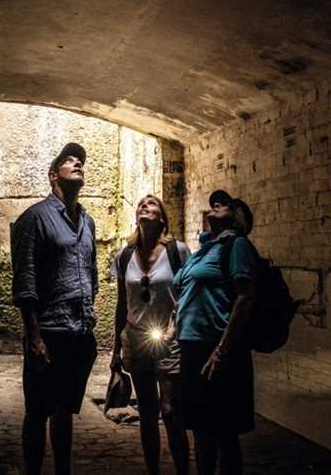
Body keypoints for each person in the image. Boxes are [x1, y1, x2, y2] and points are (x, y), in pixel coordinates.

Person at [11, 142, 98, 475]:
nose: (78, 163)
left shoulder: (87, 221)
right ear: (53, 176)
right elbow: (26, 280)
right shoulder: (34, 218)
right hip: (48, 331)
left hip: (79, 332)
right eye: (69, 161)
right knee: (37, 410)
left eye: (81, 161)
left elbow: (90, 270)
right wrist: (34, 336)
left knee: (65, 410)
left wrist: (89, 313)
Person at [173, 190, 257, 475]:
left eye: (225, 204)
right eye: (213, 203)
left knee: (223, 433)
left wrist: (221, 351)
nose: (216, 204)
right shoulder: (202, 251)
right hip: (192, 348)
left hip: (218, 348)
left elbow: (244, 298)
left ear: (239, 218)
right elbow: (184, 289)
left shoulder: (237, 246)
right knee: (200, 429)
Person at [110, 195, 191, 475]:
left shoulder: (177, 252)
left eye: (152, 203)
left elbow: (187, 297)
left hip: (169, 340)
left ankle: (182, 469)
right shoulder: (124, 256)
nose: (145, 205)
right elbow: (122, 304)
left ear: (163, 218)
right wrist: (114, 351)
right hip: (136, 339)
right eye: (141, 204)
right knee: (147, 413)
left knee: (171, 412)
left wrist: (174, 330)